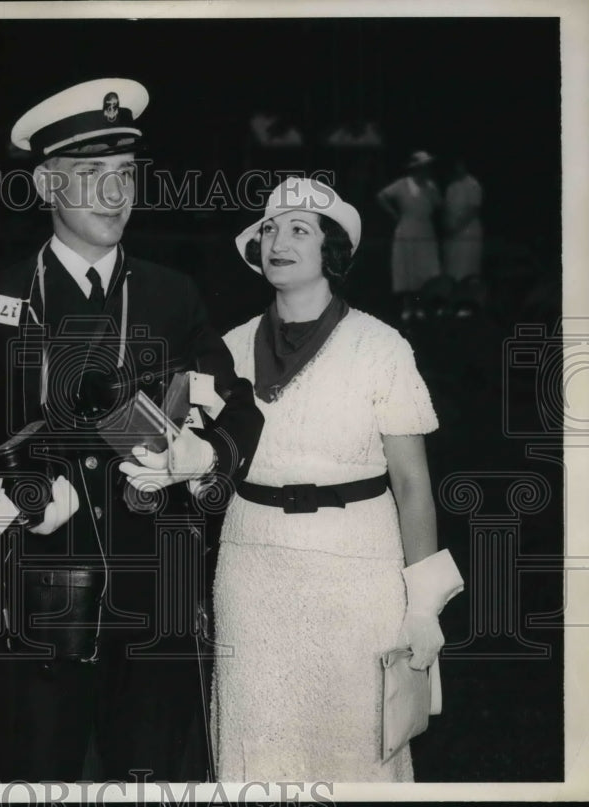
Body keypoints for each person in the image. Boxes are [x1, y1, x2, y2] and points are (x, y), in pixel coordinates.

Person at [0, 78, 262, 782]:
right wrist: (19, 496)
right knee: (39, 779)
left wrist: (202, 453)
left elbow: (237, 406)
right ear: (46, 186)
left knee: (150, 778)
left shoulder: (170, 294)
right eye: (90, 176)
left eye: (124, 176)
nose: (114, 195)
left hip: (156, 609)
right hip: (40, 612)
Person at [212, 177, 463, 781]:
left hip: (357, 570)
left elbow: (412, 486)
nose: (278, 241)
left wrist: (423, 605)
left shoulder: (381, 347)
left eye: (300, 230)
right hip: (253, 571)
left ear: (332, 251)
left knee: (355, 743)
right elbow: (215, 465)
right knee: (256, 738)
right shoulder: (228, 347)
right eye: (270, 229)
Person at [377, 150, 443, 322]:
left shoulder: (430, 186)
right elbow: (382, 196)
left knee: (424, 268)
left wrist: (430, 191)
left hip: (425, 230)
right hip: (407, 228)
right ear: (417, 168)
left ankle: (421, 306)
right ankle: (408, 307)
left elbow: (438, 204)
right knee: (407, 267)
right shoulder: (402, 184)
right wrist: (394, 214)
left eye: (428, 167)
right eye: (424, 167)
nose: (426, 170)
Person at [442, 157, 484, 283]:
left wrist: (457, 228)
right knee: (451, 268)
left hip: (468, 232)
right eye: (456, 165)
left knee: (466, 269)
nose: (458, 167)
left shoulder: (473, 185)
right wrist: (447, 227)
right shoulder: (451, 186)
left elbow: (473, 210)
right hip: (452, 234)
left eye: (461, 164)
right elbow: (446, 209)